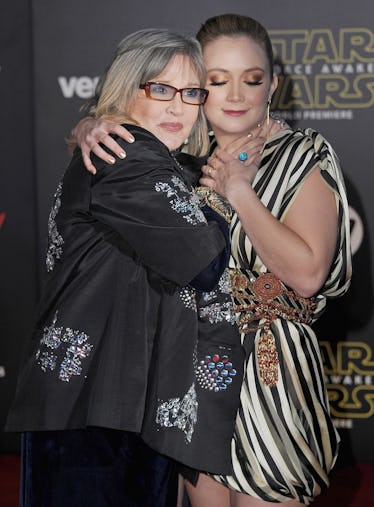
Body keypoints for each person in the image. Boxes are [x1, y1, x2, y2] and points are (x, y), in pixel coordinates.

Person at [68, 13, 352, 507]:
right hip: (194, 371)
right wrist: (92, 124)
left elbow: (307, 275)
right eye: (217, 81)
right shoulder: (179, 161)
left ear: (273, 85)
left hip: (271, 375)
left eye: (252, 79)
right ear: (196, 90)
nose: (237, 96)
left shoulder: (301, 154)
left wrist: (240, 193)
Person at [5, 27, 248, 507]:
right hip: (94, 411)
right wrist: (227, 197)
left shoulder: (154, 160)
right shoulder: (127, 155)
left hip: (112, 404)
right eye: (160, 89)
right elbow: (205, 260)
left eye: (191, 93)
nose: (178, 107)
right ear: (125, 87)